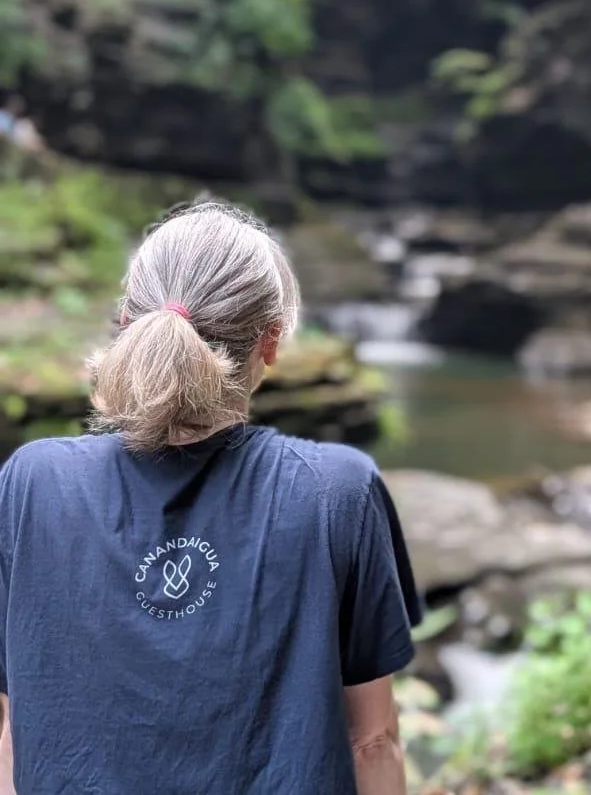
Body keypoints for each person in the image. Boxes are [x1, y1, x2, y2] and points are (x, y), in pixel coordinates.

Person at [0, 200, 421, 794]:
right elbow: (371, 741)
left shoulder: (33, 483)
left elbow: (13, 727)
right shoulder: (336, 491)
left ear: (127, 322)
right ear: (270, 342)